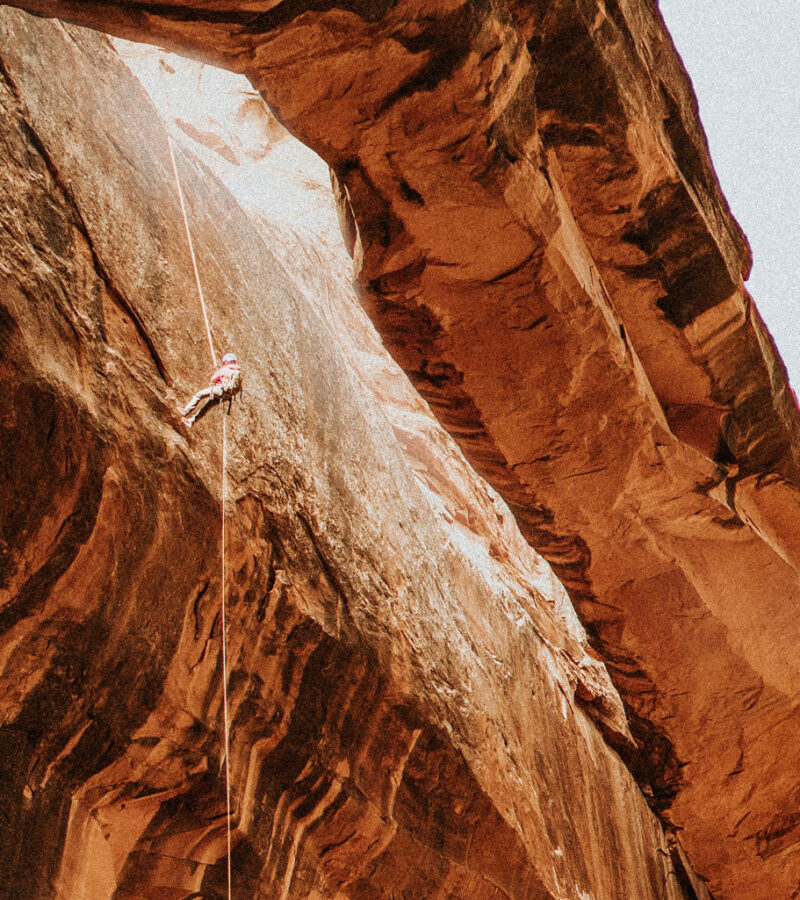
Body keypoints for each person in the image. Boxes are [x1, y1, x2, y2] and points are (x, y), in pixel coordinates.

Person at [179, 352, 242, 427]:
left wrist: (217, 373)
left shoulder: (225, 369)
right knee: (207, 407)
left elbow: (213, 379)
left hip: (219, 390)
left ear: (226, 362)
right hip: (227, 396)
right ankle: (191, 421)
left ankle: (185, 411)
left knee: (199, 395)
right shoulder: (238, 372)